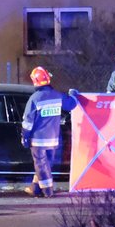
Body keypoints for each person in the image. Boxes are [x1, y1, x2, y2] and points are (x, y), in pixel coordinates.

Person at [21, 66, 78, 198]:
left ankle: (47, 191)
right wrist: (74, 94)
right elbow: (72, 104)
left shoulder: (35, 98)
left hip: (38, 140)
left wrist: (25, 137)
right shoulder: (57, 95)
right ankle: (35, 188)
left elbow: (28, 122)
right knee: (45, 164)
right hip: (53, 139)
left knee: (41, 164)